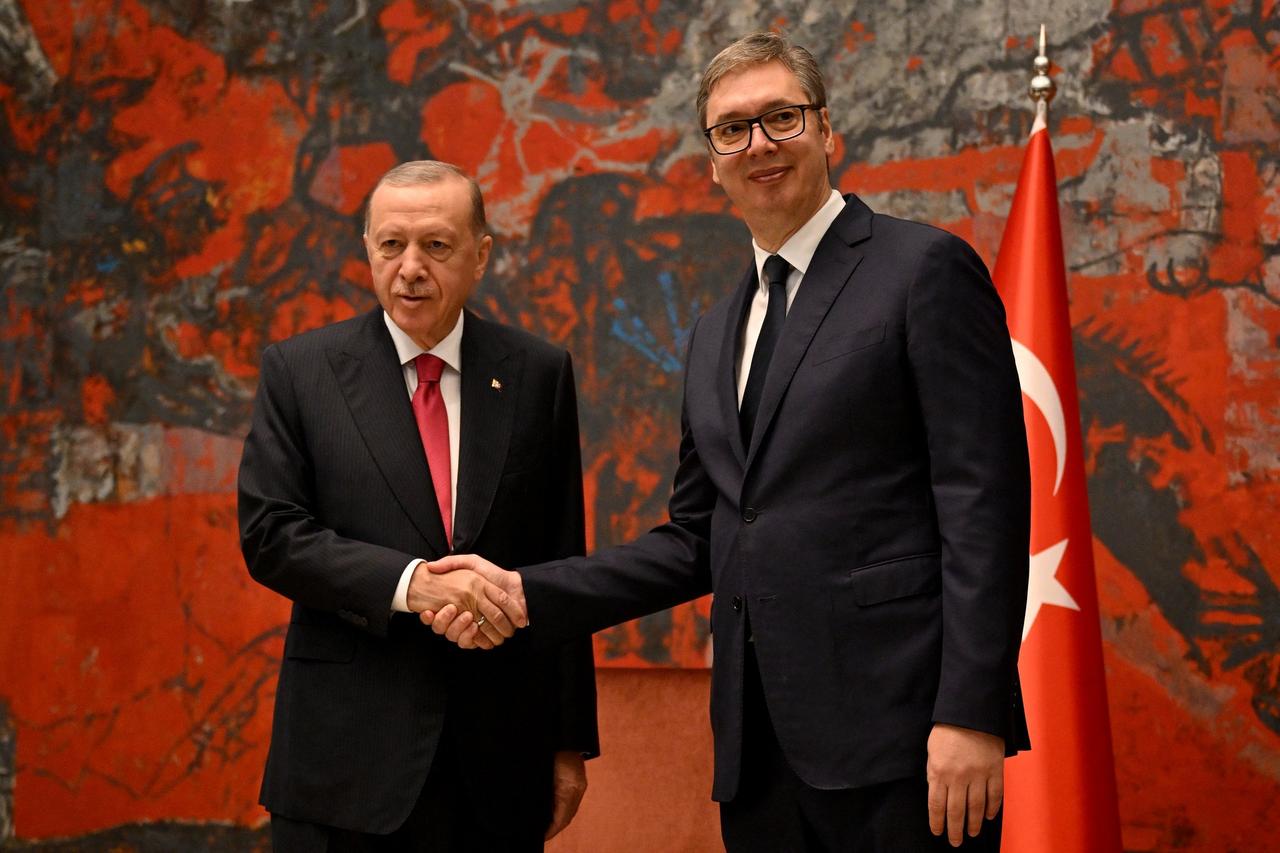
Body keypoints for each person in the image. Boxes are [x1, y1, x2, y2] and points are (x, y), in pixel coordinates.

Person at [425, 31, 1031, 852]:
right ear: (712, 160)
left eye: (782, 117)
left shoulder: (924, 270)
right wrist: (527, 593)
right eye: (733, 129)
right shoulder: (717, 329)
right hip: (758, 756)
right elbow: (696, 541)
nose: (760, 144)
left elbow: (983, 503)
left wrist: (972, 712)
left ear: (827, 130)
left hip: (907, 741)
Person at [237, 160, 598, 852]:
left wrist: (568, 741)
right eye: (390, 245)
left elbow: (561, 559)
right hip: (343, 766)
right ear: (367, 249)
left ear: (480, 255)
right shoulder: (301, 371)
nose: (409, 268)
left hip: (497, 765)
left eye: (436, 245)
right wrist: (412, 586)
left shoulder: (537, 373)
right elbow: (272, 534)